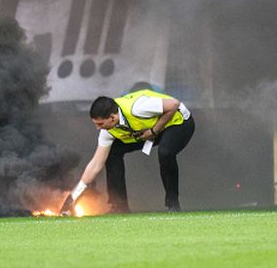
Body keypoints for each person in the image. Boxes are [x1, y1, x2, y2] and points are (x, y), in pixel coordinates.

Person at [60, 89, 195, 214]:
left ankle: (173, 205)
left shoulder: (138, 108)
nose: (97, 128)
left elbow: (174, 104)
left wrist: (154, 131)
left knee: (165, 152)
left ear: (112, 118)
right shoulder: (107, 131)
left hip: (178, 122)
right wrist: (73, 196)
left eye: (100, 124)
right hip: (148, 130)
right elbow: (96, 163)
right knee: (112, 152)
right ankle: (119, 207)